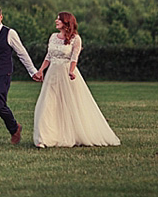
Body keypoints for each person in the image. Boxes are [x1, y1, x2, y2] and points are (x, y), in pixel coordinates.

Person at [32, 12, 121, 148]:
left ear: (66, 22)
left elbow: (74, 57)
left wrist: (71, 71)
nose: (56, 21)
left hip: (66, 73)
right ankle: (44, 138)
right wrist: (40, 70)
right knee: (47, 104)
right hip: (52, 74)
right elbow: (48, 56)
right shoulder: (52, 37)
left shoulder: (76, 39)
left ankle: (71, 134)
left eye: (59, 19)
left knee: (70, 105)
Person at [0, 5, 41, 146]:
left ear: (0, 17)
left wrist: (32, 71)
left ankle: (14, 127)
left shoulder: (10, 33)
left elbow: (22, 53)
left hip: (2, 75)